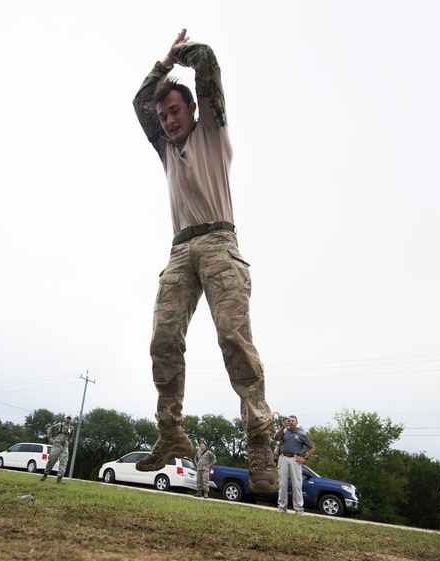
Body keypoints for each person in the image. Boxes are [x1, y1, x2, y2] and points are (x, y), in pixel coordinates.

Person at [132, 29, 277, 493]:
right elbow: (140, 103)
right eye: (164, 116)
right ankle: (171, 434)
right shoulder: (166, 150)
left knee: (233, 336)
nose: (169, 121)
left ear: (193, 109)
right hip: (179, 251)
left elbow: (208, 65)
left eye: (175, 111)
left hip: (218, 243)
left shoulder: (212, 131)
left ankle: (259, 441)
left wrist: (179, 56)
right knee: (163, 339)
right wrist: (159, 66)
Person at [273, 416, 315, 514]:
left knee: (297, 485)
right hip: (283, 458)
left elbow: (312, 448)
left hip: (295, 459)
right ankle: (282, 508)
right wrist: (282, 427)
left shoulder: (301, 435)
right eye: (289, 421)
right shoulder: (284, 432)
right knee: (282, 484)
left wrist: (305, 458)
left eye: (293, 421)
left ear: (296, 423)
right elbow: (276, 437)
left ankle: (299, 509)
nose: (291, 422)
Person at [42, 415, 74, 484]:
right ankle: (45, 475)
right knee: (51, 460)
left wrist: (68, 442)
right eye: (67, 418)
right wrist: (50, 439)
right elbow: (50, 429)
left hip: (64, 447)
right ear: (65, 418)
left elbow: (71, 436)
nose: (68, 420)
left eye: (70, 419)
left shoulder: (71, 428)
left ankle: (59, 479)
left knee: (63, 462)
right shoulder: (59, 425)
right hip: (56, 446)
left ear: (71, 420)